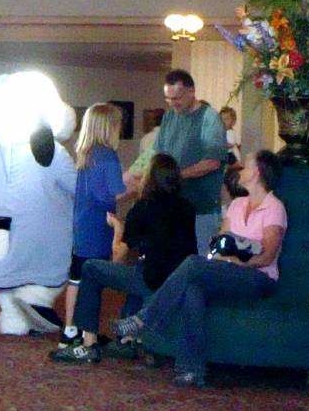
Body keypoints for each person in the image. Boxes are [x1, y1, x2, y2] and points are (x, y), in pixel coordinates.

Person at [121, 148, 287, 386]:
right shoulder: (238, 205)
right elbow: (220, 244)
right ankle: (191, 370)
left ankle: (146, 319)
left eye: (247, 165)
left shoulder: (274, 208)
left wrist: (235, 261)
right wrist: (227, 259)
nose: (240, 169)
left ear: (258, 172)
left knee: (192, 264)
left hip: (259, 278)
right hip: (232, 272)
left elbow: (267, 256)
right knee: (192, 290)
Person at [57, 153, 194, 362]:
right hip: (177, 279)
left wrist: (117, 227)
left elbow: (119, 255)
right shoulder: (187, 208)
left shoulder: (143, 207)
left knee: (92, 269)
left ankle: (88, 343)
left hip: (151, 277)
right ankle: (127, 338)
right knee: (138, 269)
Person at [0, 72, 76, 334]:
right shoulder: (51, 150)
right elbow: (74, 184)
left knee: (7, 270)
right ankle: (36, 300)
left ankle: (12, 321)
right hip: (42, 226)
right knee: (47, 273)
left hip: (0, 223)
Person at [59, 102, 126, 347]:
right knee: (93, 280)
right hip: (99, 225)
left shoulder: (87, 153)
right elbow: (115, 192)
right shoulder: (108, 156)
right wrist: (140, 184)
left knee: (76, 277)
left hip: (82, 223)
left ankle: (70, 330)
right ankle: (88, 334)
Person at [143, 70, 230, 256]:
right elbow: (157, 154)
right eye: (168, 99)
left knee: (200, 261)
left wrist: (176, 176)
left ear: (192, 91)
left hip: (201, 207)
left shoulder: (209, 118)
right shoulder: (169, 116)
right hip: (172, 205)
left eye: (177, 98)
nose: (173, 103)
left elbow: (213, 162)